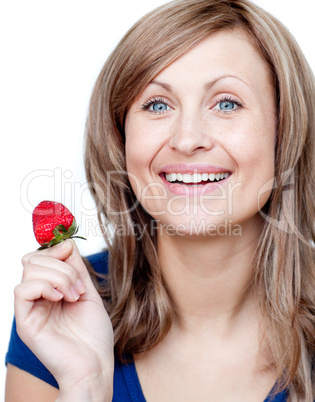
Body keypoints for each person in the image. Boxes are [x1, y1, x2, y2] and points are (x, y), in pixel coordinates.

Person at [5, 0, 315, 400]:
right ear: (121, 137)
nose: (187, 139)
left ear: (284, 129)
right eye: (157, 104)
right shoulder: (60, 310)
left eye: (226, 103)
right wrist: (84, 386)